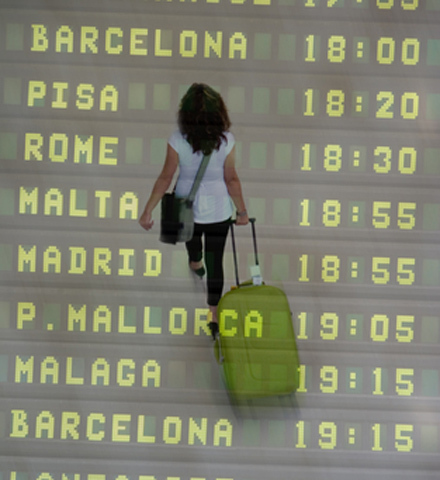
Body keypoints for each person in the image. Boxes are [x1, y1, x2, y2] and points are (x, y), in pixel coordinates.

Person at [139, 83, 248, 339]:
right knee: (216, 262)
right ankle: (213, 315)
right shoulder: (227, 141)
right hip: (219, 212)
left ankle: (194, 261)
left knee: (191, 239)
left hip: (185, 207)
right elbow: (231, 179)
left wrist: (148, 210)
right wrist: (241, 212)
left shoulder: (177, 139)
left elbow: (166, 177)